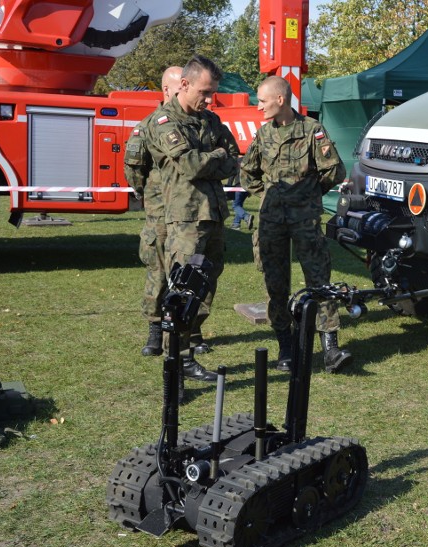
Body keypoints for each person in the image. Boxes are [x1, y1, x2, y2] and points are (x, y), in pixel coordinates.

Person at [240, 76, 352, 374]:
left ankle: (330, 349)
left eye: (262, 100)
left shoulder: (312, 130)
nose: (258, 106)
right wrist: (268, 196)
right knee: (276, 286)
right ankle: (286, 347)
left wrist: (309, 194)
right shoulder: (263, 135)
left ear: (280, 100)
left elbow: (335, 170)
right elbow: (247, 173)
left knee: (320, 283)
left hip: (305, 221)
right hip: (272, 223)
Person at [144, 54, 240, 382]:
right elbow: (189, 165)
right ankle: (175, 369)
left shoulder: (211, 121)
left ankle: (186, 356)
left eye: (212, 92)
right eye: (205, 91)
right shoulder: (163, 122)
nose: (209, 99)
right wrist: (216, 156)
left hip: (212, 216)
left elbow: (234, 159)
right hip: (184, 220)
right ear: (184, 85)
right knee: (181, 292)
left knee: (204, 288)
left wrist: (214, 159)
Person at [124, 66, 182, 357]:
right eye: (178, 87)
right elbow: (134, 168)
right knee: (158, 271)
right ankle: (155, 330)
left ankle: (190, 332)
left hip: (187, 212)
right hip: (159, 211)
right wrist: (146, 196)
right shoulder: (147, 126)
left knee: (189, 271)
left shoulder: (192, 123)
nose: (183, 92)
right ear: (166, 90)